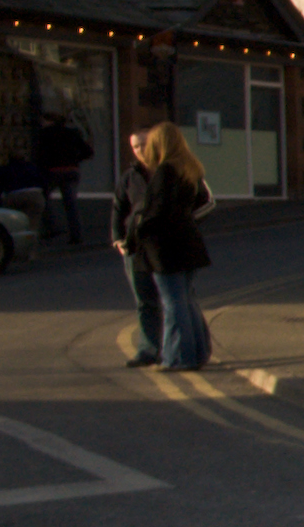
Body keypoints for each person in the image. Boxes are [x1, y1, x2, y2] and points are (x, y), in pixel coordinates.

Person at [114, 121, 214, 372]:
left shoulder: (165, 171)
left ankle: (179, 357)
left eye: (149, 143)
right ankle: (197, 353)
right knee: (186, 301)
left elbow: (157, 212)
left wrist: (136, 233)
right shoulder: (190, 168)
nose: (143, 149)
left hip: (164, 247)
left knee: (173, 304)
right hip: (188, 242)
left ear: (161, 144)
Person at [29, 107, 94, 247]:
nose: (42, 123)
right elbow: (88, 151)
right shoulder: (71, 133)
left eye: (43, 121)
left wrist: (40, 168)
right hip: (71, 170)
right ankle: (76, 235)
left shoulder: (44, 134)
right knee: (71, 205)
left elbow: (39, 155)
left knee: (42, 199)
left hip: (52, 170)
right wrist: (75, 160)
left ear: (49, 121)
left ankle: (52, 228)